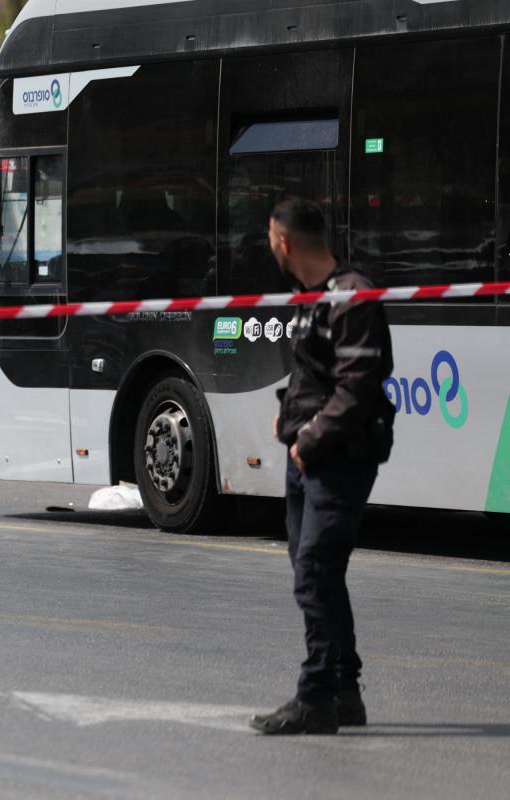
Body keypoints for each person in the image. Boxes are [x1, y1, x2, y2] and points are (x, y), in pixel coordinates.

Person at [250, 199, 395, 735]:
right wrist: (288, 417)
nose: (270, 250)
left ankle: (315, 698)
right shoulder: (312, 299)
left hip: (339, 458)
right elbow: (314, 376)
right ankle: (344, 692)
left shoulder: (352, 295)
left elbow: (357, 387)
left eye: (270, 240)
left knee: (315, 571)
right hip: (308, 457)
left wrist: (309, 440)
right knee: (318, 573)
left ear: (284, 242)